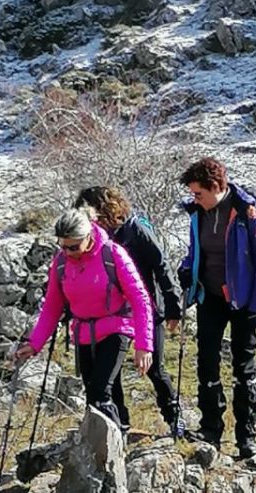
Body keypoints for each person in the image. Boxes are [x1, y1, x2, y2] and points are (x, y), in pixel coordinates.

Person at [14, 209, 154, 428]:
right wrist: (34, 343)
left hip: (116, 329)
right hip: (84, 334)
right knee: (100, 391)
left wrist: (144, 346)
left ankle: (106, 449)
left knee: (99, 391)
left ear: (88, 237)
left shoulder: (113, 254)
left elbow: (140, 299)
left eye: (73, 247)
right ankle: (121, 432)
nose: (68, 252)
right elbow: (52, 306)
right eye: (63, 246)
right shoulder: (61, 263)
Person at [178, 157, 256, 459]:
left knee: (243, 370)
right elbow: (197, 252)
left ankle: (246, 436)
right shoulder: (198, 214)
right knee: (206, 362)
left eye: (199, 193)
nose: (195, 198)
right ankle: (210, 429)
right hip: (211, 296)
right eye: (193, 194)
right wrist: (187, 270)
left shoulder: (247, 213)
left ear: (216, 187)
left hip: (245, 301)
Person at [73, 186, 183, 434]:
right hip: (115, 314)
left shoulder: (135, 230)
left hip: (147, 308)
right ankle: (118, 424)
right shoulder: (93, 242)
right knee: (112, 372)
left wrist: (173, 307)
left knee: (154, 367)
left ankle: (175, 418)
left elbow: (161, 265)